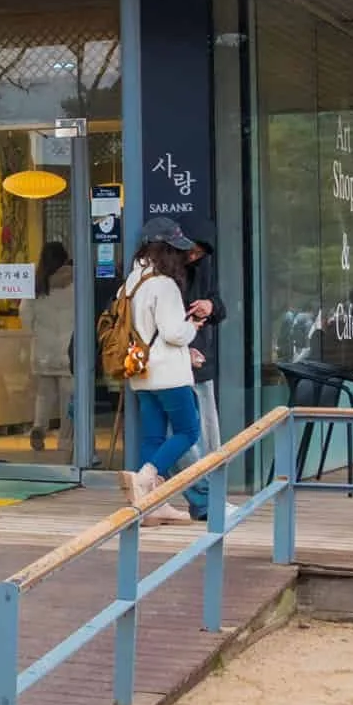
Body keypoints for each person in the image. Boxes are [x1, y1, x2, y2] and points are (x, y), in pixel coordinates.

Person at [120, 217, 213, 525]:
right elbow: (174, 333)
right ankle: (146, 478)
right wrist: (192, 327)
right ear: (167, 250)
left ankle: (150, 505)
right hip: (168, 373)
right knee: (188, 430)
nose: (182, 257)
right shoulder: (164, 284)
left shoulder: (132, 282)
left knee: (153, 435)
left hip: (140, 370)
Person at [26, 241, 74, 452]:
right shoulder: (75, 282)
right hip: (68, 351)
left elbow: (25, 316)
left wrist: (35, 331)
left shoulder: (37, 285)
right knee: (68, 399)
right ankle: (66, 440)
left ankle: (39, 427)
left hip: (43, 350)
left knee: (43, 395)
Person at [186, 237, 228, 457]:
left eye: (198, 254)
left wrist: (209, 306)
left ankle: (209, 477)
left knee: (206, 426)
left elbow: (219, 307)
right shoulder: (165, 276)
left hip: (200, 358)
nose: (193, 257)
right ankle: (200, 484)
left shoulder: (204, 267)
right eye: (190, 252)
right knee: (183, 431)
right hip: (176, 358)